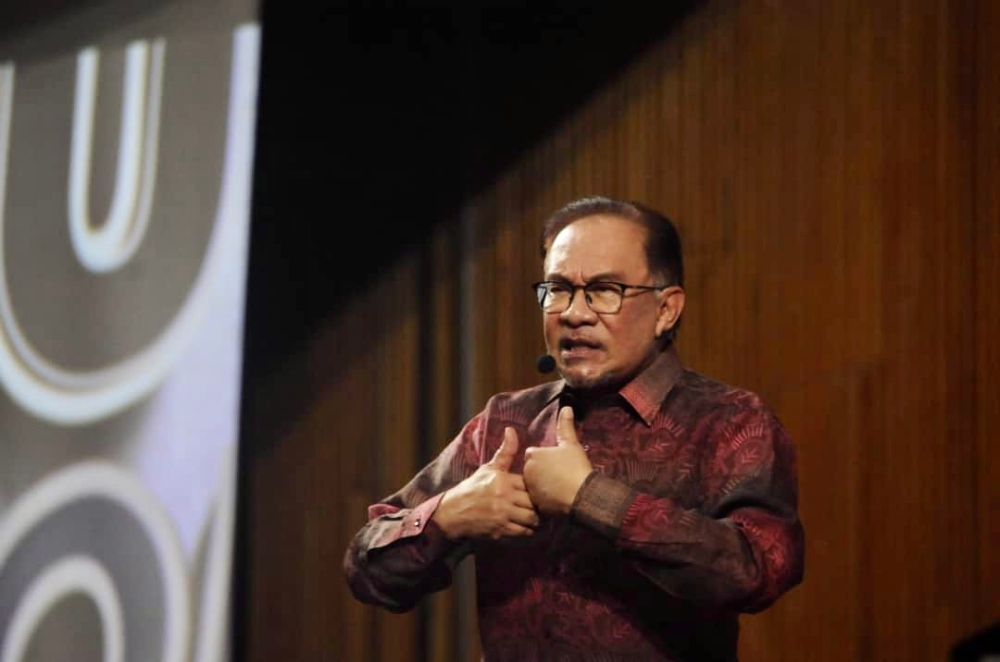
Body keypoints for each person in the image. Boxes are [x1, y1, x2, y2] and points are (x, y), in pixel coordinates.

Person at [343, 195, 805, 661]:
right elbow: (366, 568)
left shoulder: (728, 419)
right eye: (558, 289)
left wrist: (589, 497)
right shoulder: (506, 423)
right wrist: (448, 515)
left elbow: (761, 569)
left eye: (604, 290)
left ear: (666, 309)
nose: (573, 313)